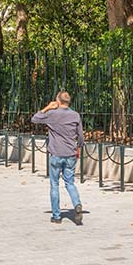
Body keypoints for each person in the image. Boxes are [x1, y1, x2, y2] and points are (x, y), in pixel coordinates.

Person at [32, 91, 85, 225]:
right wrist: (78, 149)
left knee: (54, 184)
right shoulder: (75, 115)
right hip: (70, 154)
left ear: (57, 100)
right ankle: (77, 203)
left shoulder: (52, 114)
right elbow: (81, 137)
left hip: (56, 154)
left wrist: (48, 107)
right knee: (70, 182)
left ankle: (56, 216)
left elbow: (35, 119)